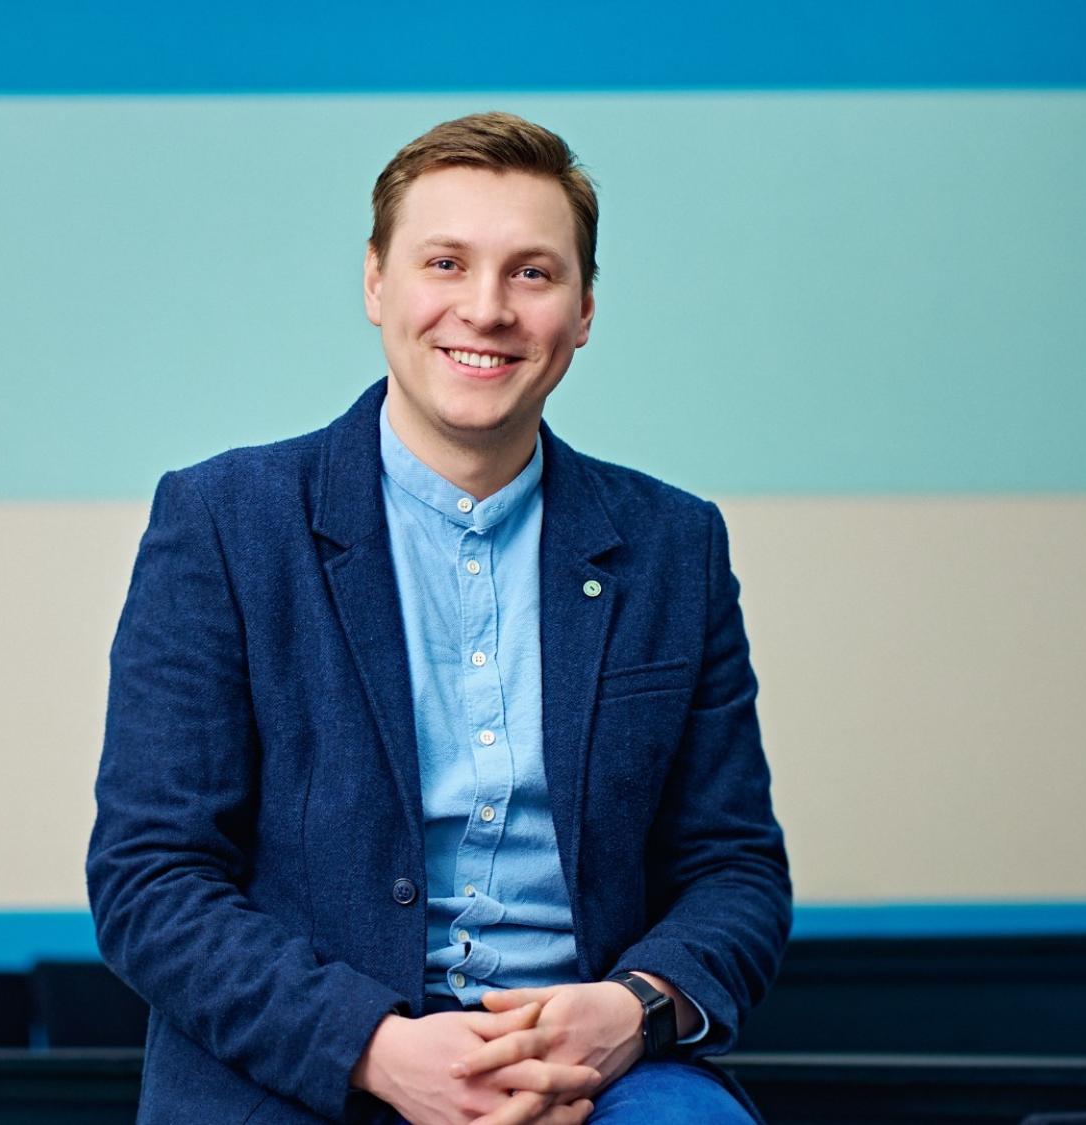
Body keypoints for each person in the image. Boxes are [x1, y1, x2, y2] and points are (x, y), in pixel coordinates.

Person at [86, 111, 790, 1124]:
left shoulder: (673, 545)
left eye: (531, 274)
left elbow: (733, 870)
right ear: (376, 282)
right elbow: (148, 881)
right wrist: (373, 1049)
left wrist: (631, 1011)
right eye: (445, 263)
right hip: (307, 1073)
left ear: (583, 309)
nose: (486, 309)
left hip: (596, 1077)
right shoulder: (223, 524)